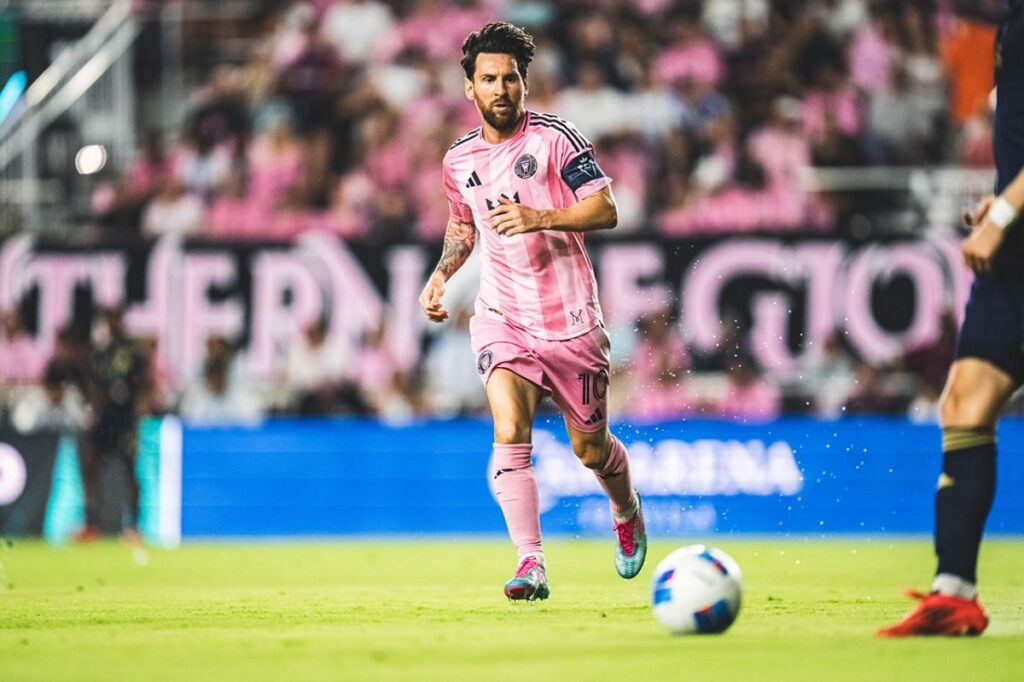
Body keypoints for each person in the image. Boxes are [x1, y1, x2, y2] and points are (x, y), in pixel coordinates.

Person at [418, 22, 645, 602]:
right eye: (488, 79)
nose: (501, 89)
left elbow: (607, 209)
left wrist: (540, 217)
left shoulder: (556, 139)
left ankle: (626, 508)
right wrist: (441, 275)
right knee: (509, 429)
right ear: (469, 87)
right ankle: (531, 562)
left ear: (524, 83)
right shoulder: (458, 159)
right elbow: (462, 226)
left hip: (572, 324)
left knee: (590, 450)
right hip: (503, 317)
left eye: (510, 78)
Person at [878, 0, 1021, 637]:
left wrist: (1006, 214)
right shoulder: (1008, 26)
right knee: (965, 401)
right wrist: (1005, 200)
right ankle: (954, 592)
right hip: (1014, 257)